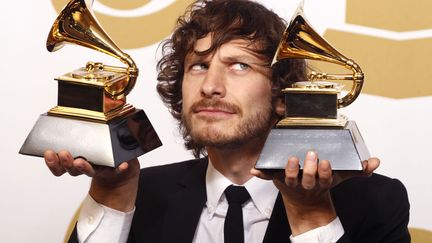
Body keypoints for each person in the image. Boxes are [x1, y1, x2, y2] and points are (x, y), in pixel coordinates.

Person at [44, 0, 410, 242]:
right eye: (198, 66)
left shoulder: (376, 201)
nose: (211, 87)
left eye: (240, 66)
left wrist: (310, 212)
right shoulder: (143, 194)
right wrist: (112, 192)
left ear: (283, 95)